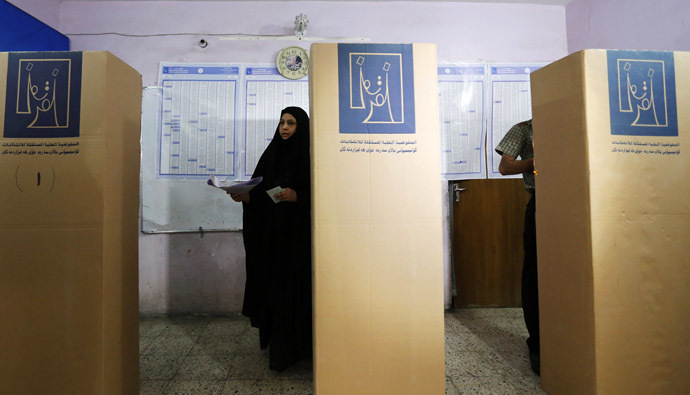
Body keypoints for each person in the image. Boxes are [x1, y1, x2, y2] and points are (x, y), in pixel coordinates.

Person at [229, 106, 312, 372]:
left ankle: (302, 349)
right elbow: (262, 192)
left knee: (295, 295)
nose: (285, 128)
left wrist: (298, 196)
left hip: (298, 241)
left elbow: (322, 193)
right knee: (275, 293)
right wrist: (247, 196)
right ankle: (279, 353)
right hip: (272, 240)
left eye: (291, 123)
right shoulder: (271, 155)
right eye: (281, 123)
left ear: (301, 127)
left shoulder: (310, 157)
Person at [495, 119, 540, 376]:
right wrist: (536, 161)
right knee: (533, 276)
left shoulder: (574, 121)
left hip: (576, 201)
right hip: (540, 201)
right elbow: (506, 166)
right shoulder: (525, 129)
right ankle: (537, 345)